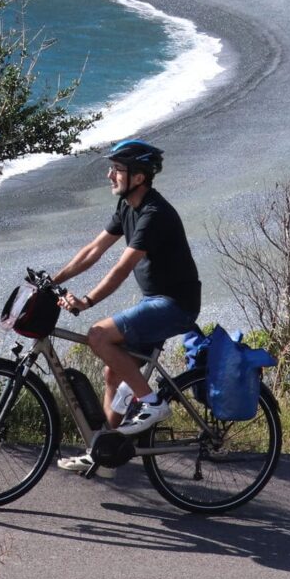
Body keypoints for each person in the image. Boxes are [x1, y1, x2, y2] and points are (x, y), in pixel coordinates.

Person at [51, 138, 201, 473]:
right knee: (112, 373)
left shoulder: (153, 213)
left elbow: (121, 267)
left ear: (138, 177)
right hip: (156, 301)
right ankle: (102, 449)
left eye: (117, 170)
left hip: (174, 305)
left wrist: (87, 301)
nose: (109, 175)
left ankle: (152, 403)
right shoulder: (127, 207)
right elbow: (94, 250)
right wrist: (54, 280)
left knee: (99, 336)